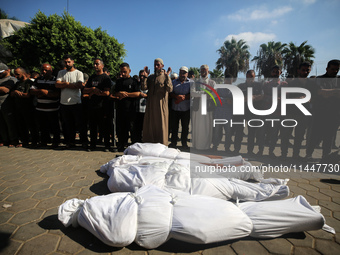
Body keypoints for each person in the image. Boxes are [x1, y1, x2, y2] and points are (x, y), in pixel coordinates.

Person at [306, 59, 340, 160]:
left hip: (334, 113)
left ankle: (326, 156)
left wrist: (329, 92)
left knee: (329, 136)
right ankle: (309, 154)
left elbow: (327, 93)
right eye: (333, 69)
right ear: (327, 68)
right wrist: (336, 91)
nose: (335, 71)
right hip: (320, 112)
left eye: (337, 69)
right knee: (315, 135)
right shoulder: (320, 79)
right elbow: (321, 92)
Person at [279, 62, 313, 159]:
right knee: (285, 135)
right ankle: (284, 154)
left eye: (307, 70)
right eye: (303, 70)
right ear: (298, 70)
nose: (305, 72)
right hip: (290, 113)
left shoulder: (311, 84)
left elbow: (315, 97)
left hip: (303, 114)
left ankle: (295, 155)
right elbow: (285, 98)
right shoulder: (291, 83)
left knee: (299, 136)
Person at [56, 54, 86, 149]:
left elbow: (79, 85)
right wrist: (69, 84)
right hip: (64, 103)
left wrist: (64, 84)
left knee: (80, 124)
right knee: (68, 125)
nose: (67, 63)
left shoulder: (78, 73)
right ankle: (70, 142)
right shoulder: (61, 73)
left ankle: (84, 142)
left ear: (73, 62)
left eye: (69, 61)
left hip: (76, 102)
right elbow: (57, 85)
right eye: (65, 62)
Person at [141, 58, 173, 145]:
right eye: (155, 64)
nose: (156, 66)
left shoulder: (166, 76)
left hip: (161, 105)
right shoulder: (151, 77)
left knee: (161, 124)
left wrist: (167, 76)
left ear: (162, 66)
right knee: (150, 124)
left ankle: (162, 144)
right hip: (151, 105)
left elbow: (170, 89)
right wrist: (145, 76)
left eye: (158, 65)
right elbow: (144, 88)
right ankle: (149, 144)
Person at [83, 58, 112, 151]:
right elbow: (84, 90)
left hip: (103, 107)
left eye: (97, 64)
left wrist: (94, 92)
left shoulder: (106, 78)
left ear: (102, 66)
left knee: (104, 127)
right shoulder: (92, 77)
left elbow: (107, 92)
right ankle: (92, 145)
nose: (95, 66)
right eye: (94, 64)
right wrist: (93, 89)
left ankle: (107, 145)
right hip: (92, 106)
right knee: (92, 127)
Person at [233, 70, 264, 155]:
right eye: (248, 77)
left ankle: (250, 150)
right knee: (239, 131)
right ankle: (236, 149)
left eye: (252, 77)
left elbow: (262, 96)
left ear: (254, 77)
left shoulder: (259, 85)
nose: (249, 79)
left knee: (252, 132)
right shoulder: (240, 86)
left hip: (253, 112)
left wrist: (253, 97)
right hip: (241, 112)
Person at [30, 63, 61, 148]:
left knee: (55, 127)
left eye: (46, 70)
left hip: (53, 108)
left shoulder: (55, 80)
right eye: (42, 70)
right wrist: (42, 91)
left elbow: (56, 94)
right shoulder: (38, 79)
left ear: (51, 71)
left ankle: (56, 142)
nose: (43, 72)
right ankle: (44, 141)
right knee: (43, 127)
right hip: (40, 108)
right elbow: (32, 91)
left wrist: (44, 93)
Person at [114, 62, 140, 152]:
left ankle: (133, 148)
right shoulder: (119, 81)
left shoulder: (134, 81)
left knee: (132, 129)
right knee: (121, 129)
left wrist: (127, 94)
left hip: (131, 109)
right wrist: (119, 93)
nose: (123, 74)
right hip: (120, 109)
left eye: (125, 72)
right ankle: (121, 145)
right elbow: (114, 93)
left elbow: (138, 93)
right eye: (121, 72)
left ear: (129, 71)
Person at [262, 65, 287, 157]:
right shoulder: (266, 84)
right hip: (267, 113)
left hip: (279, 113)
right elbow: (263, 96)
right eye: (274, 71)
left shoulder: (284, 84)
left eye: (277, 71)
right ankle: (260, 151)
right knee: (264, 133)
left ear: (280, 72)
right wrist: (274, 98)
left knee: (275, 134)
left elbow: (286, 97)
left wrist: (277, 99)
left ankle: (271, 152)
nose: (275, 73)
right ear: (271, 73)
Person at [11, 67, 39, 147]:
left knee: (31, 125)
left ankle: (35, 141)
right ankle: (24, 141)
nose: (16, 76)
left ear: (23, 74)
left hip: (28, 107)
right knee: (21, 125)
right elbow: (12, 94)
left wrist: (17, 93)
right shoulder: (17, 83)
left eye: (17, 74)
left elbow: (28, 95)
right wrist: (16, 93)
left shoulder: (29, 83)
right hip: (18, 107)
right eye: (15, 74)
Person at [191, 64, 216, 150]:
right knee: (197, 126)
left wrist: (204, 94)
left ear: (208, 72)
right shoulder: (196, 82)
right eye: (201, 71)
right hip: (197, 108)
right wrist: (203, 94)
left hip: (207, 108)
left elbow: (214, 94)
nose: (203, 72)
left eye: (205, 71)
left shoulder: (212, 83)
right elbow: (192, 93)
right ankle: (196, 145)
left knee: (207, 127)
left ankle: (206, 146)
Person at [169, 66, 191, 149]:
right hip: (175, 108)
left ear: (187, 74)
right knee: (174, 127)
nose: (182, 74)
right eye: (181, 72)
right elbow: (170, 93)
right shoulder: (173, 82)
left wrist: (184, 97)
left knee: (185, 127)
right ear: (179, 73)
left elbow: (193, 94)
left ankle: (184, 143)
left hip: (186, 109)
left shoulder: (191, 83)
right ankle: (173, 142)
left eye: (184, 73)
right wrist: (177, 96)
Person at [212, 73, 233, 152]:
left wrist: (230, 101)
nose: (230, 83)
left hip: (228, 114)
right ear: (225, 80)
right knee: (216, 131)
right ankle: (215, 146)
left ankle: (227, 148)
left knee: (228, 132)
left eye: (231, 81)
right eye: (229, 81)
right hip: (219, 113)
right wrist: (226, 100)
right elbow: (216, 99)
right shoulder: (219, 88)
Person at [0, 63, 19, 147]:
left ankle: (14, 140)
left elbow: (5, 90)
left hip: (8, 105)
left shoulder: (12, 79)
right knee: (1, 124)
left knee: (10, 123)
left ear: (7, 70)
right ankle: (4, 140)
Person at [132, 69, 148, 144]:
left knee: (145, 128)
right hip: (137, 109)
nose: (142, 77)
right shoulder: (136, 85)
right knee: (136, 128)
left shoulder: (150, 85)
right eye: (141, 76)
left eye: (144, 76)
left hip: (146, 110)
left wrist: (146, 95)